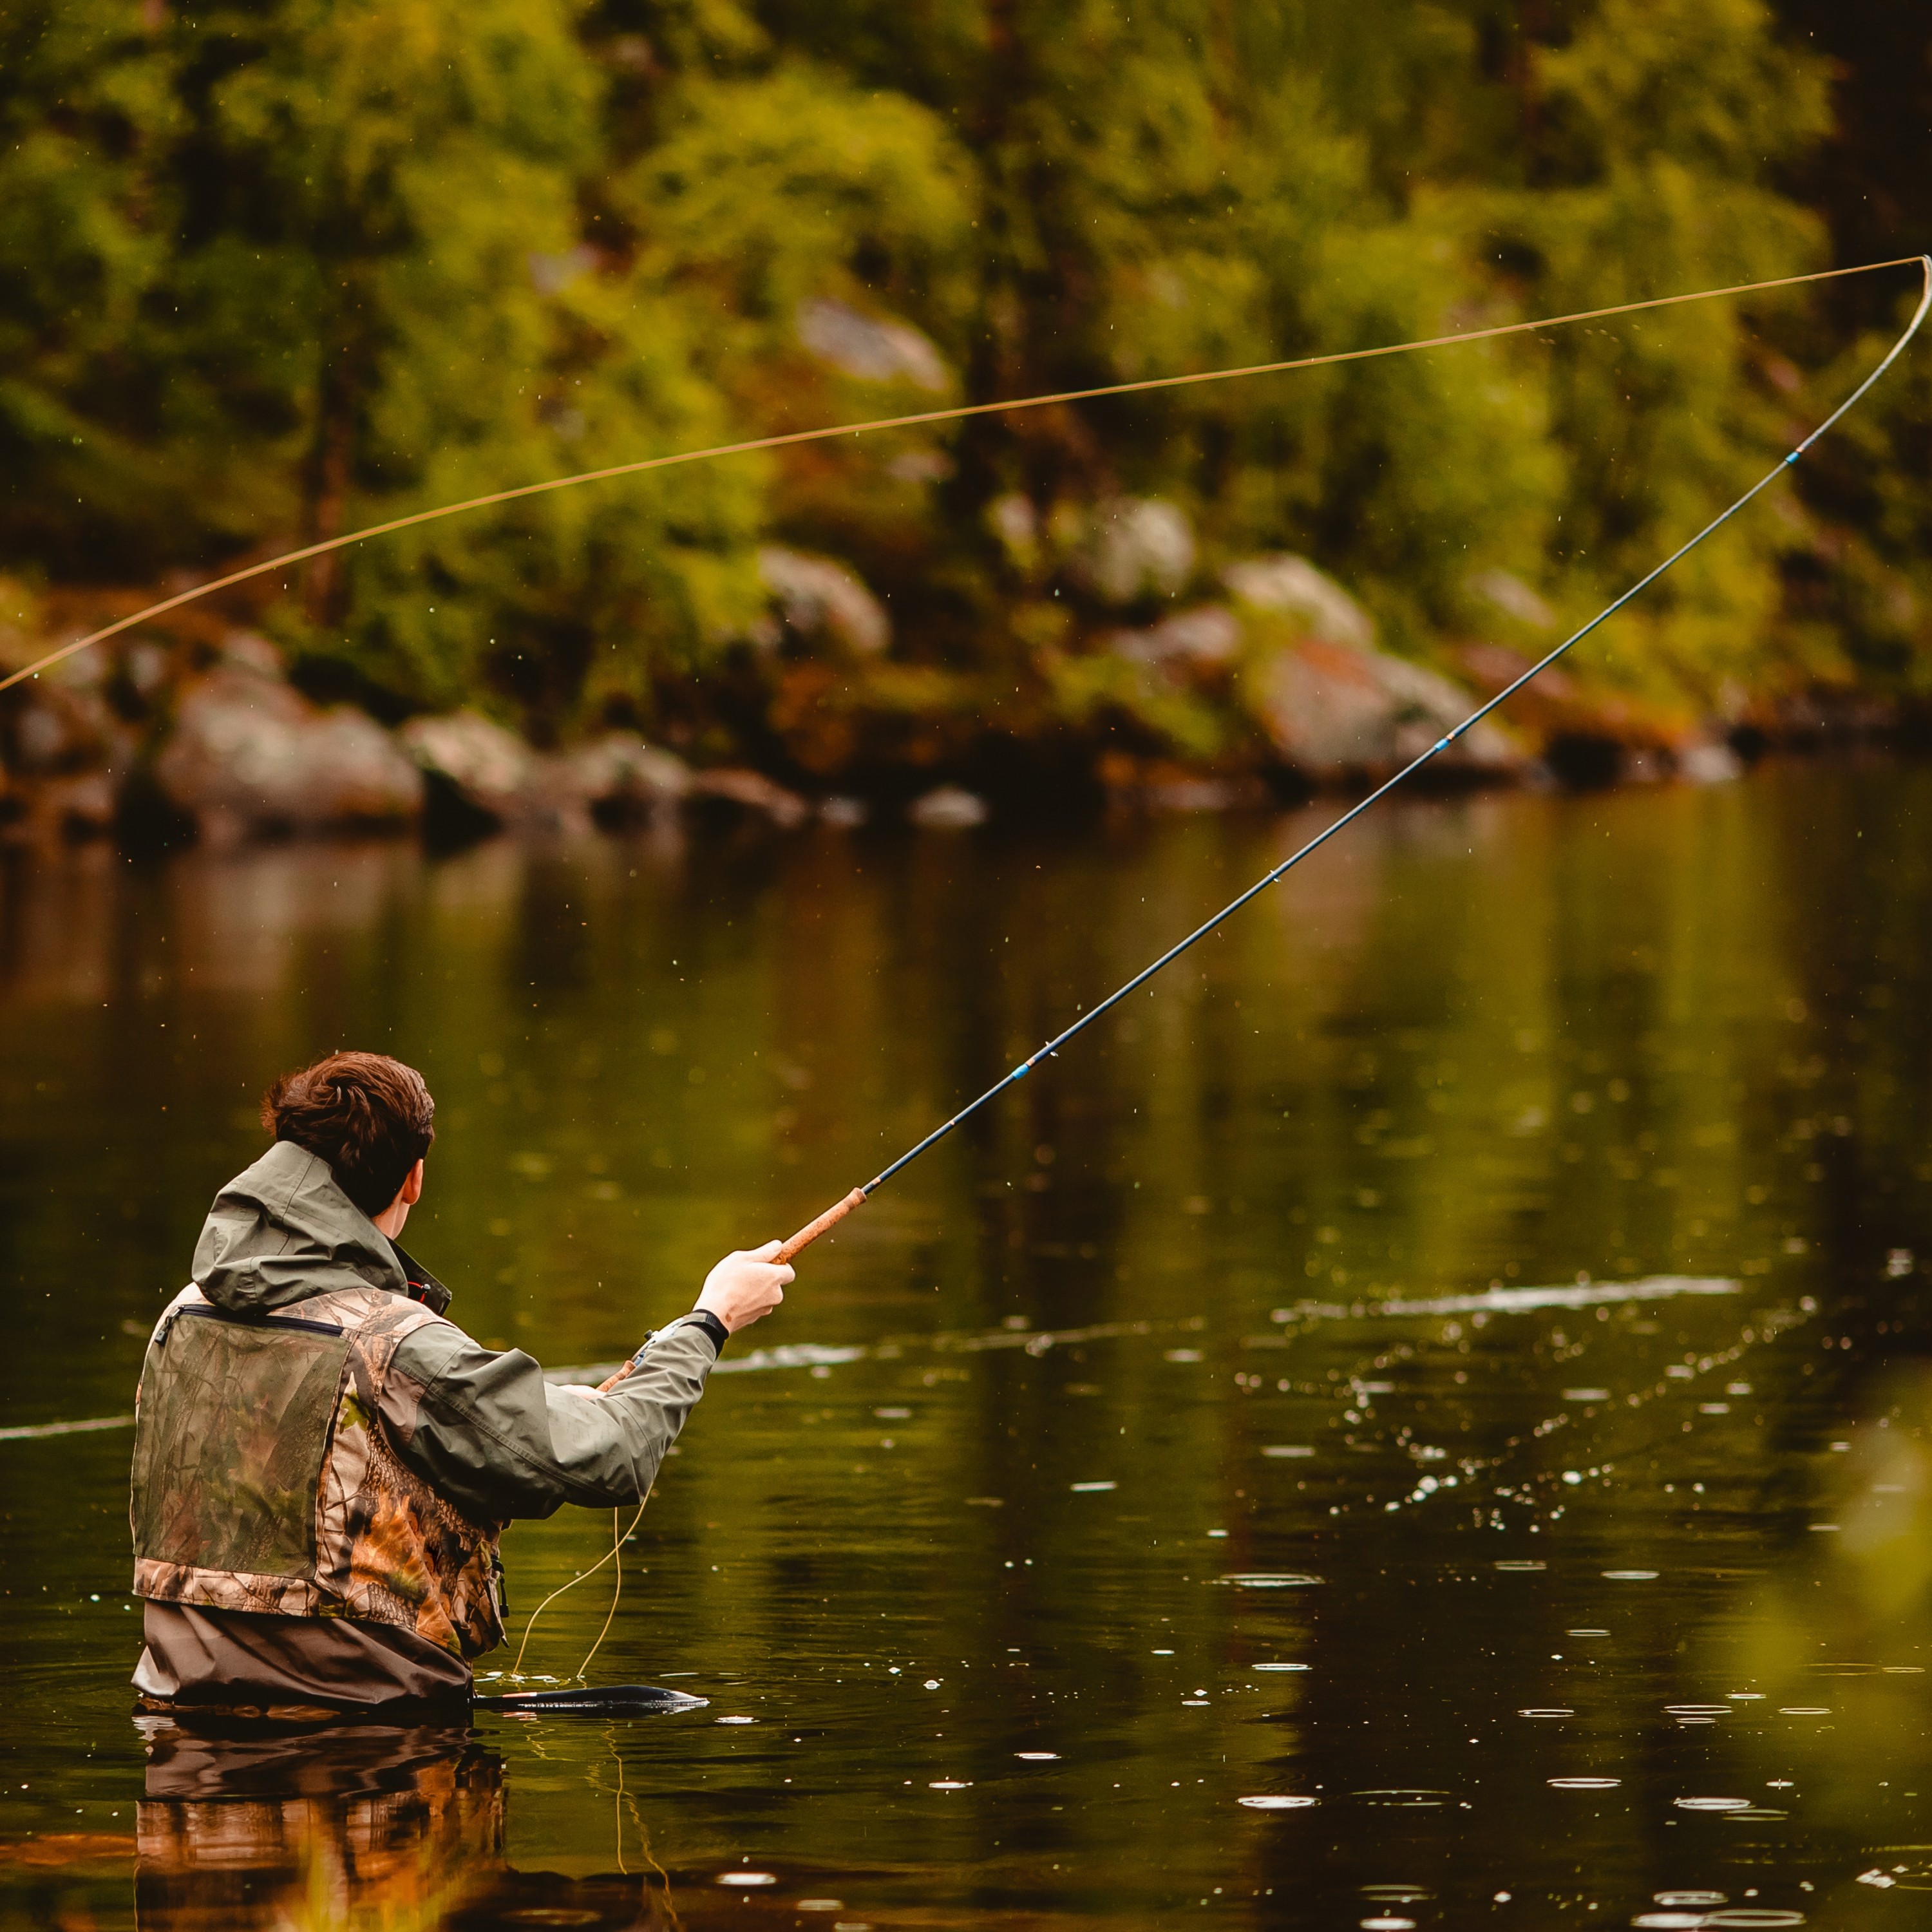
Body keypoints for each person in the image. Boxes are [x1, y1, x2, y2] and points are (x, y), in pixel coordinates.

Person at [128, 1049, 791, 1710]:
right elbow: (612, 1457)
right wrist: (710, 1320)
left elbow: (342, 1437)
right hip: (375, 1746)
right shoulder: (393, 1343)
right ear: (413, 1178)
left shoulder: (181, 1315)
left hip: (179, 1721)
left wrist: (552, 1409)